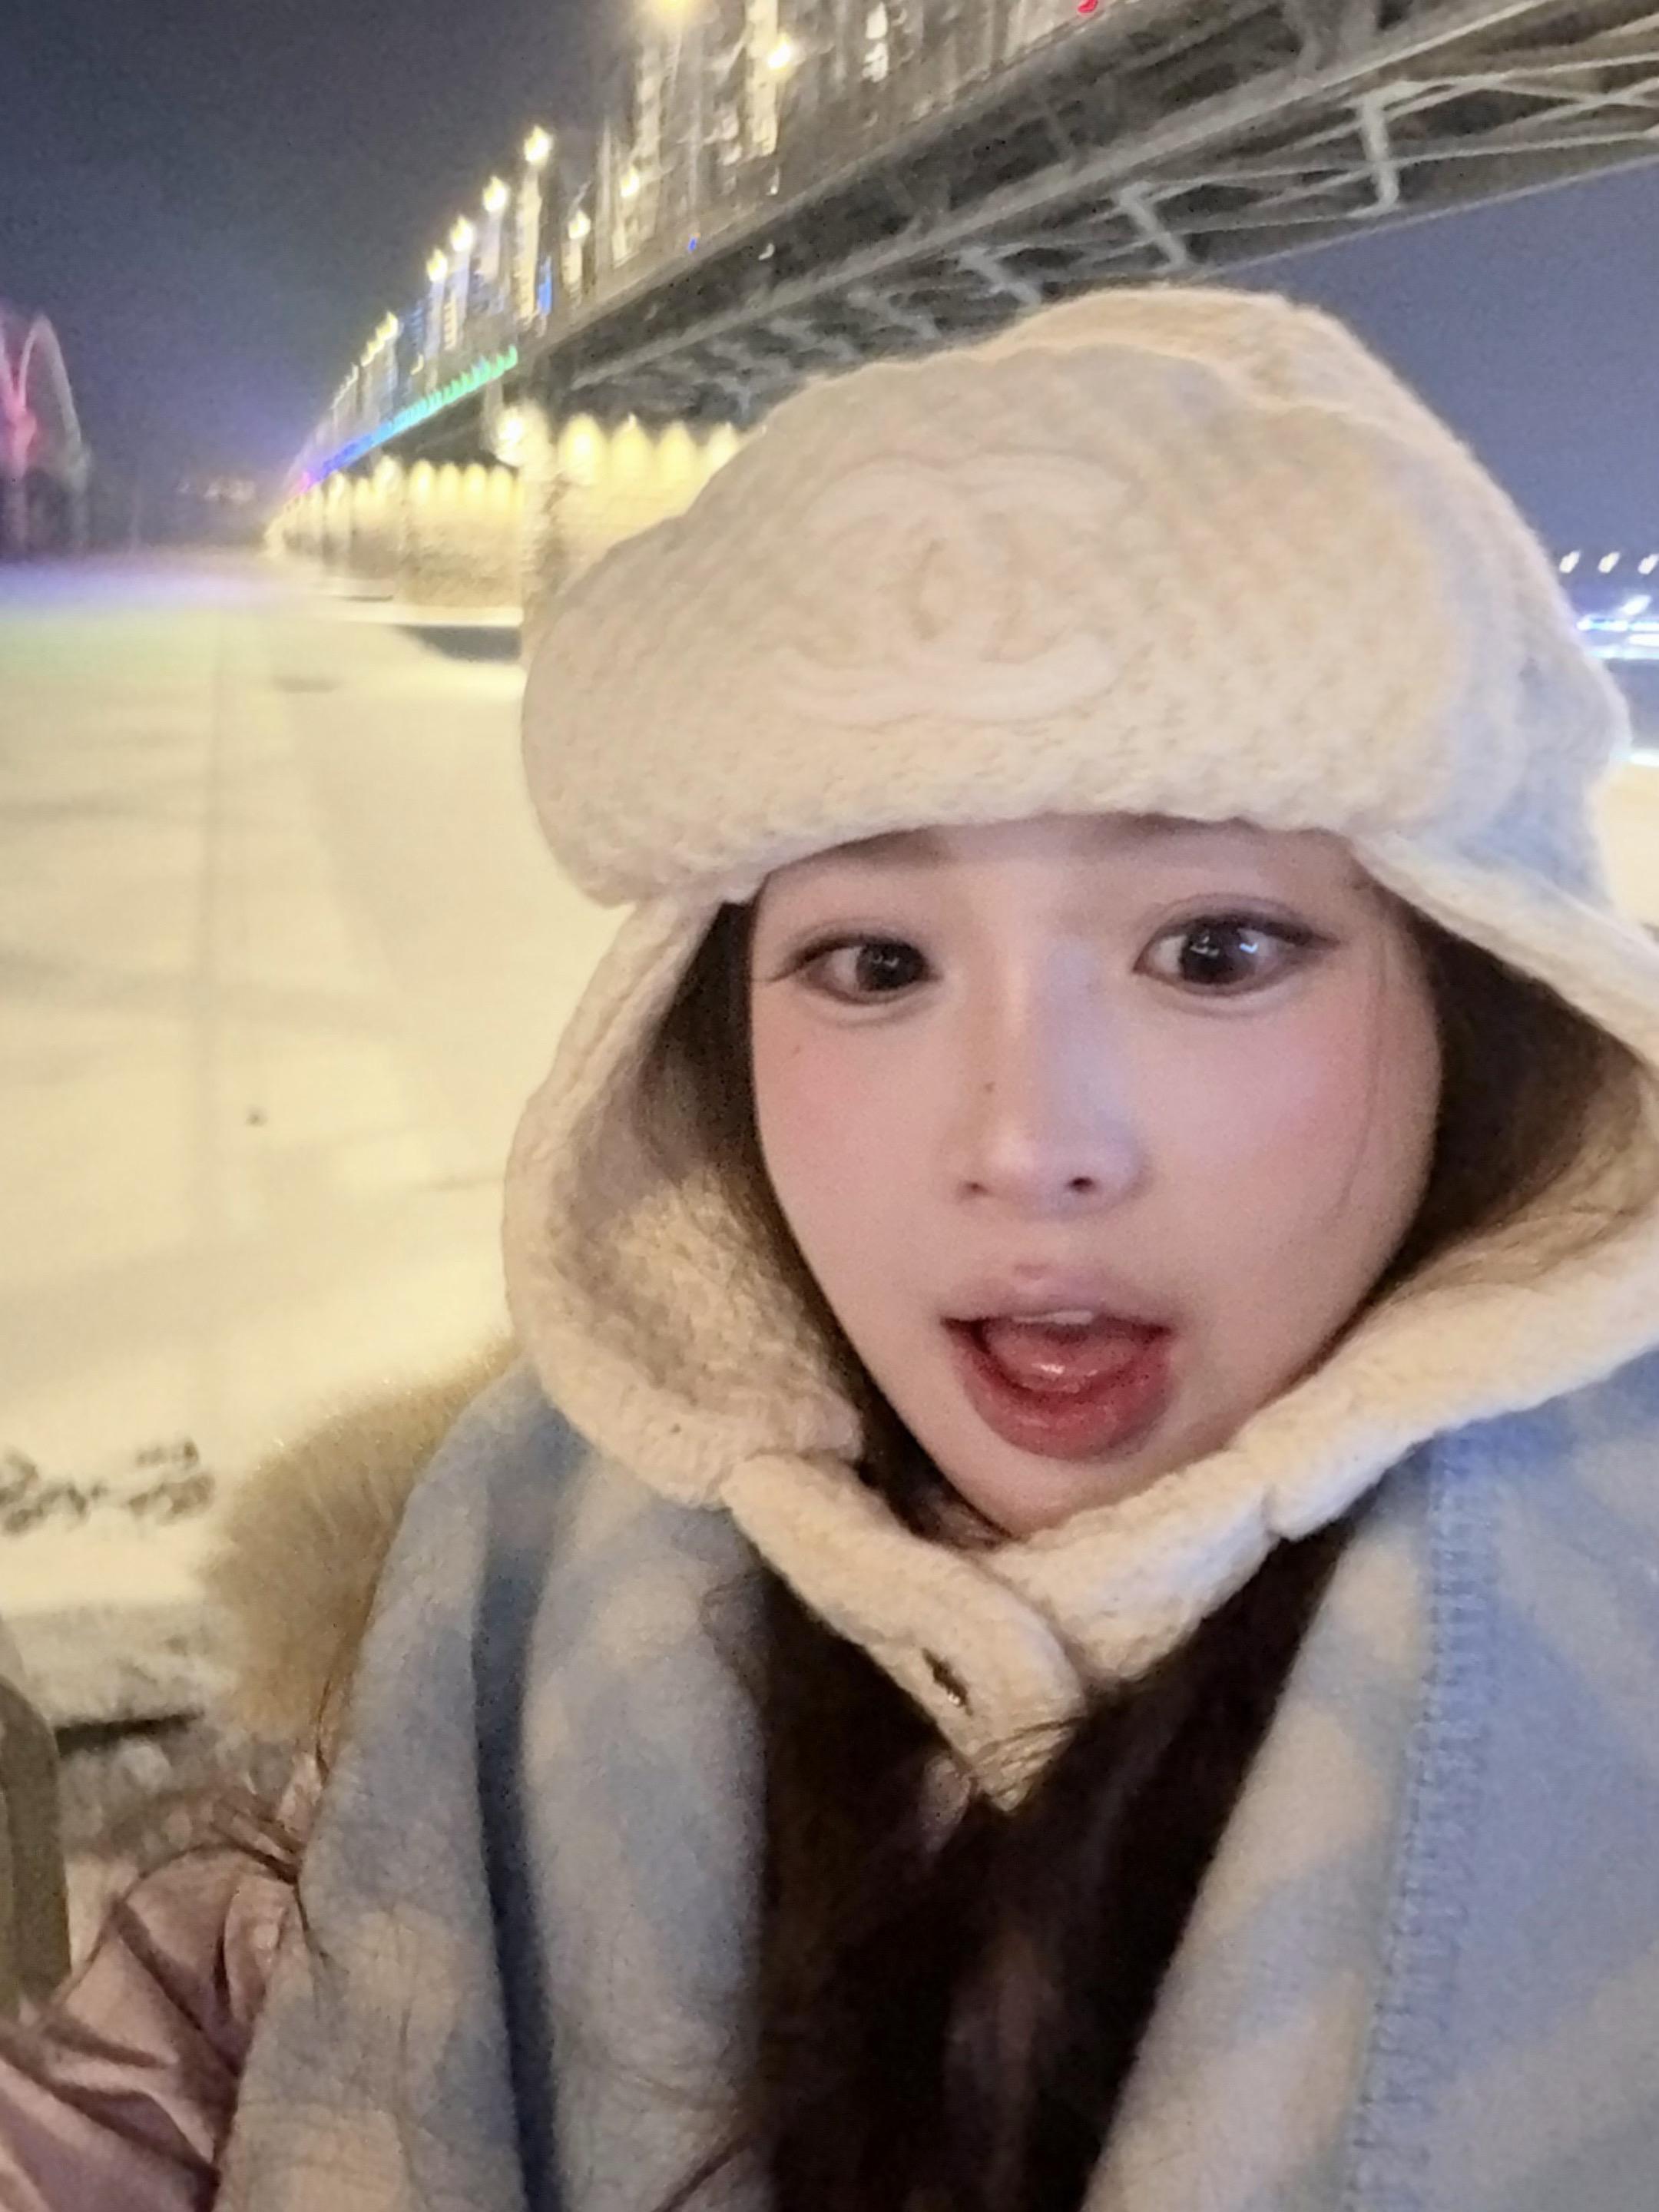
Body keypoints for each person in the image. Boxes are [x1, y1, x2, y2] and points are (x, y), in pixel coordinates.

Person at [9, 282, 1659, 2212]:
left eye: (1213, 951)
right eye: (876, 964)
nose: (1030, 1147)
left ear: (1486, 1012)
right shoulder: (473, 1630)